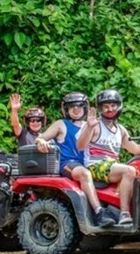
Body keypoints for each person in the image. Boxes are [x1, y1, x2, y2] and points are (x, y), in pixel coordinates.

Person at [35, 92, 115, 227]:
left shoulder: (90, 124)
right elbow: (41, 137)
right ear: (66, 109)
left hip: (89, 163)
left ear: (85, 108)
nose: (76, 109)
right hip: (67, 164)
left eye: (79, 106)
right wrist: (40, 141)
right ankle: (99, 212)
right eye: (72, 107)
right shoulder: (61, 124)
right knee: (84, 173)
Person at [76, 90, 140, 226]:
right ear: (100, 108)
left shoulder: (121, 130)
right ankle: (124, 213)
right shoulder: (95, 125)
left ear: (119, 106)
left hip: (112, 166)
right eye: (106, 106)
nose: (110, 109)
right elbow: (80, 146)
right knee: (129, 170)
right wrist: (89, 127)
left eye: (113, 105)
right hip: (95, 165)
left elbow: (135, 149)